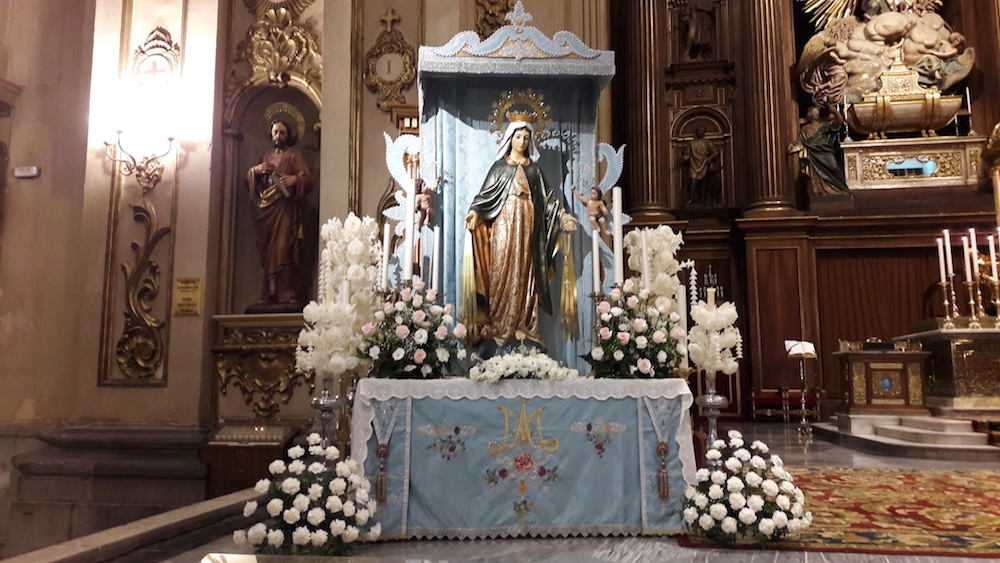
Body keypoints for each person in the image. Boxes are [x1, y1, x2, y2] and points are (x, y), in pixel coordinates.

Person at [464, 116, 577, 353]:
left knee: (526, 272)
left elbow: (549, 201)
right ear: (510, 138)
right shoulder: (499, 167)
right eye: (518, 137)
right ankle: (498, 324)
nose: (522, 141)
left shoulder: (534, 170)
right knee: (501, 270)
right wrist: (475, 212)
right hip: (504, 222)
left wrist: (563, 217)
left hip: (527, 224)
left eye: (526, 138)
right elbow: (485, 196)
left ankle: (524, 325)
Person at [246, 119, 314, 305]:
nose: (278, 136)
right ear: (271, 134)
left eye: (282, 132)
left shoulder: (293, 156)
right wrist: (256, 171)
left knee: (284, 246)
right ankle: (270, 292)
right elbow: (251, 181)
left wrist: (294, 180)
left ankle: (288, 292)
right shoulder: (266, 156)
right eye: (275, 132)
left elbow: (308, 179)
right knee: (268, 249)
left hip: (285, 207)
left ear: (288, 135)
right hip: (267, 209)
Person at [788, 106, 850, 196]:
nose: (815, 114)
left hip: (826, 152)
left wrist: (835, 112)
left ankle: (839, 188)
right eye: (813, 112)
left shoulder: (824, 125)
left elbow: (839, 121)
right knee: (816, 174)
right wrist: (794, 145)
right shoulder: (805, 128)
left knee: (834, 168)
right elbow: (801, 140)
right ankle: (820, 191)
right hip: (814, 154)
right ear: (809, 115)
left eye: (816, 112)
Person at [680, 126, 721, 206]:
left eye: (702, 131)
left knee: (703, 183)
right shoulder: (691, 143)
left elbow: (715, 152)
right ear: (696, 131)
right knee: (692, 181)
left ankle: (702, 200)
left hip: (704, 163)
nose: (700, 132)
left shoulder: (707, 143)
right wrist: (684, 158)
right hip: (694, 164)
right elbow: (687, 155)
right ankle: (691, 199)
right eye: (699, 130)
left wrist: (710, 158)